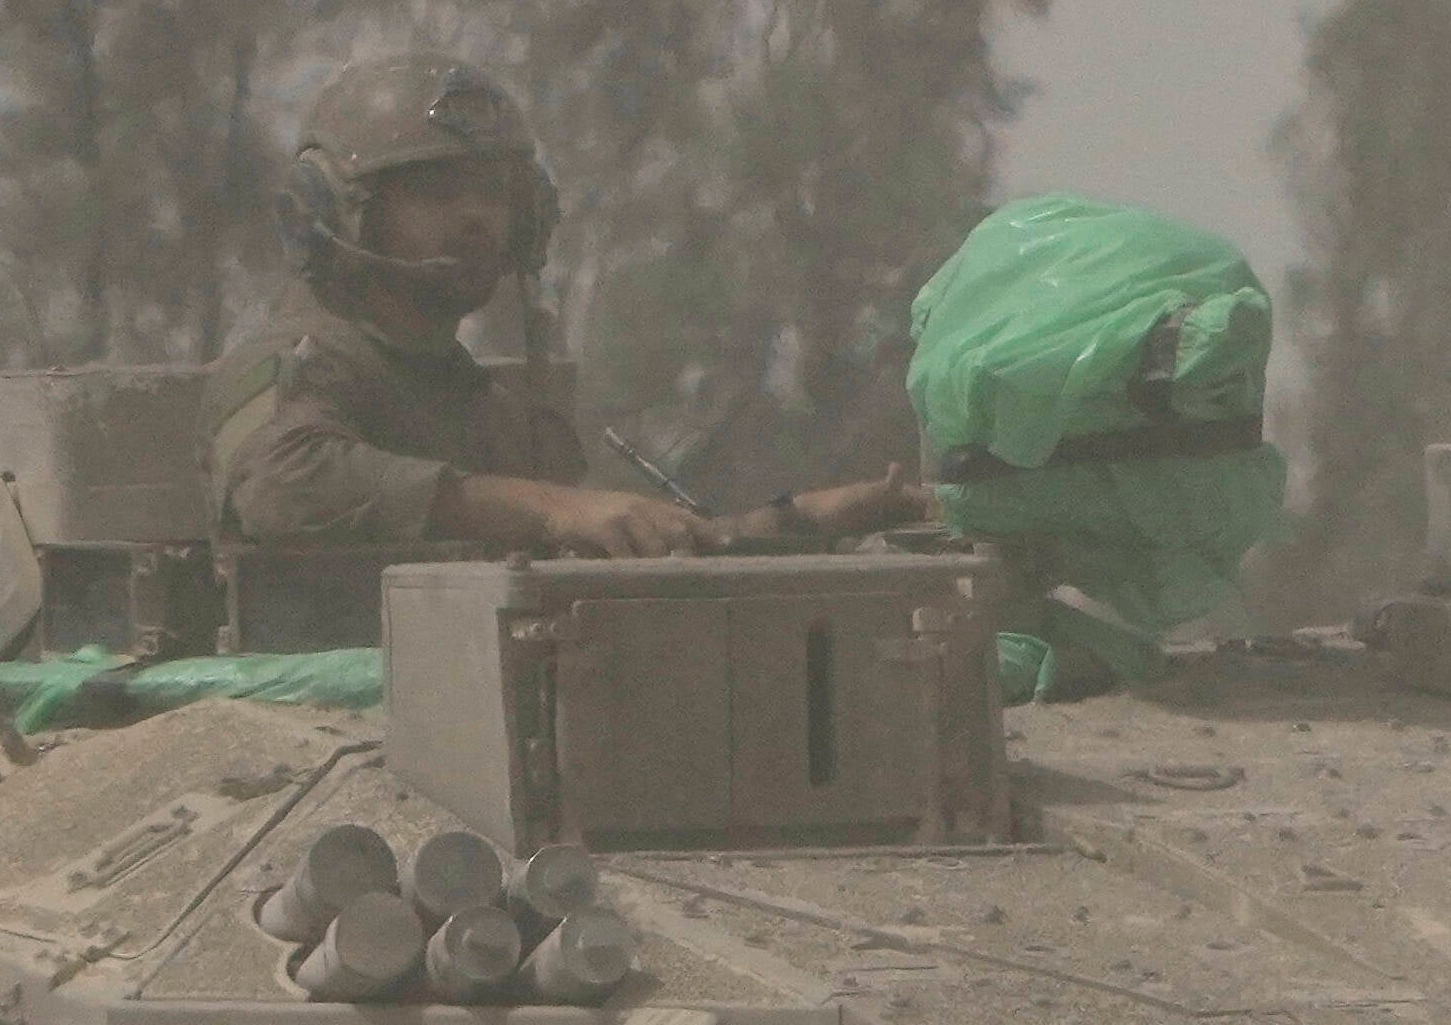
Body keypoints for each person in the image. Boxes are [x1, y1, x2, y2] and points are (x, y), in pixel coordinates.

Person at [210, 57, 921, 626]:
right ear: (339, 214)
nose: (475, 220)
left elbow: (600, 551)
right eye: (435, 195)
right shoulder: (291, 363)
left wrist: (794, 524)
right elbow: (280, 489)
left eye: (491, 196)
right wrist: (551, 505)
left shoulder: (479, 402)